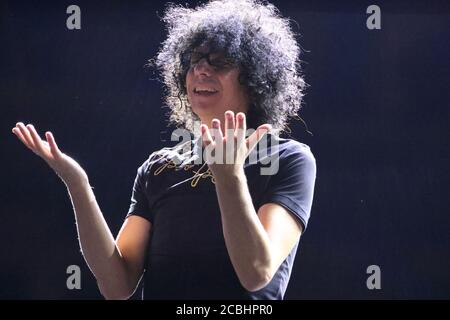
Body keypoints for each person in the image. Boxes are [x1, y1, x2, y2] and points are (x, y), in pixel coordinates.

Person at [11, 0, 316, 300]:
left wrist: (229, 176)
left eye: (218, 61)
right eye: (192, 61)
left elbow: (256, 272)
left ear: (254, 78)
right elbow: (118, 285)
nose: (200, 70)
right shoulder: (159, 167)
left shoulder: (287, 159)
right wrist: (77, 184)